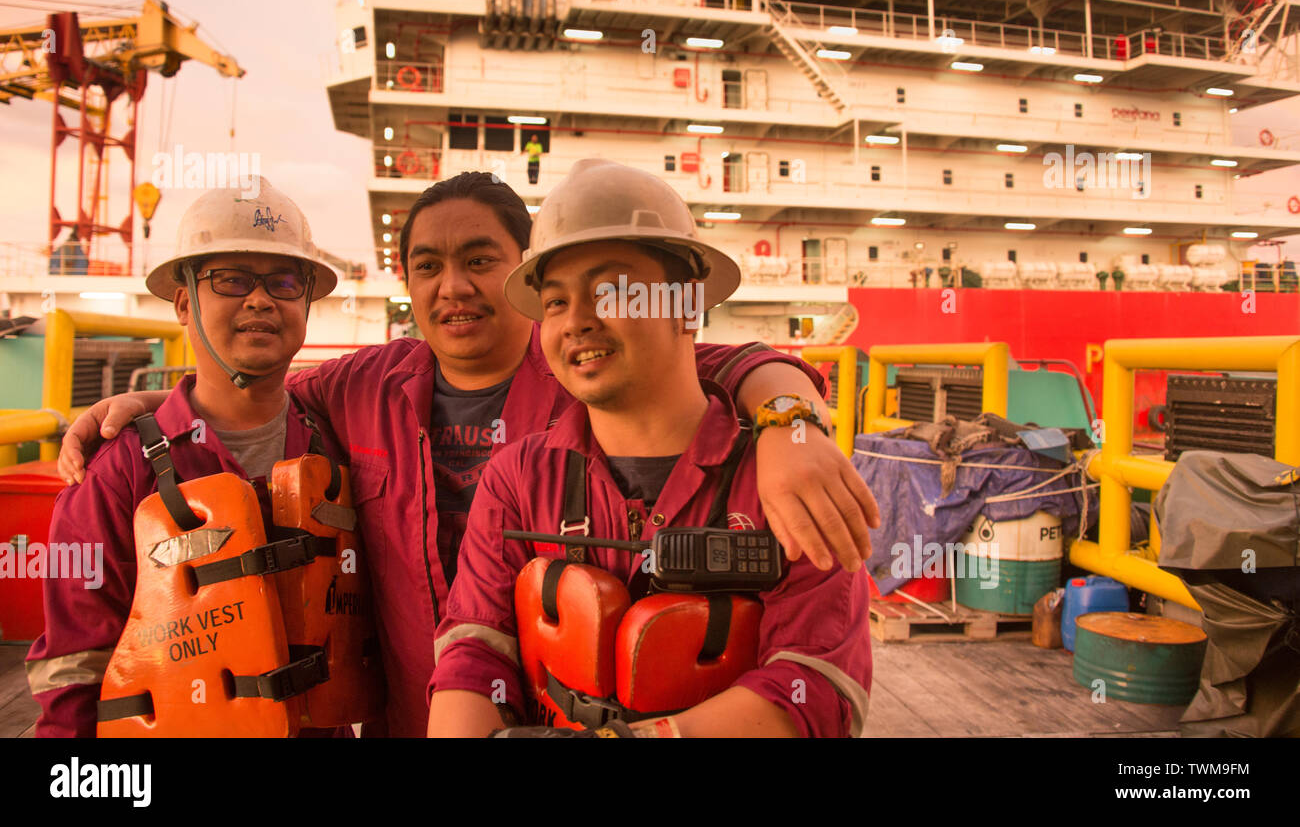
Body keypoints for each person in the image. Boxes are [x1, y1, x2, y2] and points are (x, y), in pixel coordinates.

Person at [59, 170, 879, 737]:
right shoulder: (355, 391)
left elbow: (687, 365)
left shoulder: (587, 380)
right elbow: (246, 391)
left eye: (481, 260)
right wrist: (142, 413)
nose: (452, 286)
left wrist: (787, 418)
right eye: (427, 266)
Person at [428, 159, 871, 736]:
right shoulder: (517, 478)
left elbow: (813, 685)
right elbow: (475, 649)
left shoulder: (790, 480)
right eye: (556, 302)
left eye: (611, 291)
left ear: (687, 307)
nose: (575, 322)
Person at [28, 180, 367, 736]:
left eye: (284, 282)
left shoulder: (337, 445)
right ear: (184, 302)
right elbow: (73, 669)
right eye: (231, 279)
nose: (260, 300)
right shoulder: (119, 472)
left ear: (306, 303)